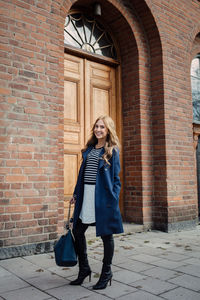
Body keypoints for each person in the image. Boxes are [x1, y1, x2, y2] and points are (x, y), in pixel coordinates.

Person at [69, 115, 123, 290]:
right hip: (86, 194)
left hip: (103, 196)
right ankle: (84, 269)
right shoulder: (90, 149)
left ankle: (106, 272)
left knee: (106, 235)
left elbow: (116, 179)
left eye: (102, 127)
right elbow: (81, 175)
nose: (98, 130)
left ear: (108, 131)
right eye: (96, 126)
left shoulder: (112, 151)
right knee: (77, 230)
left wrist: (114, 197)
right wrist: (76, 193)